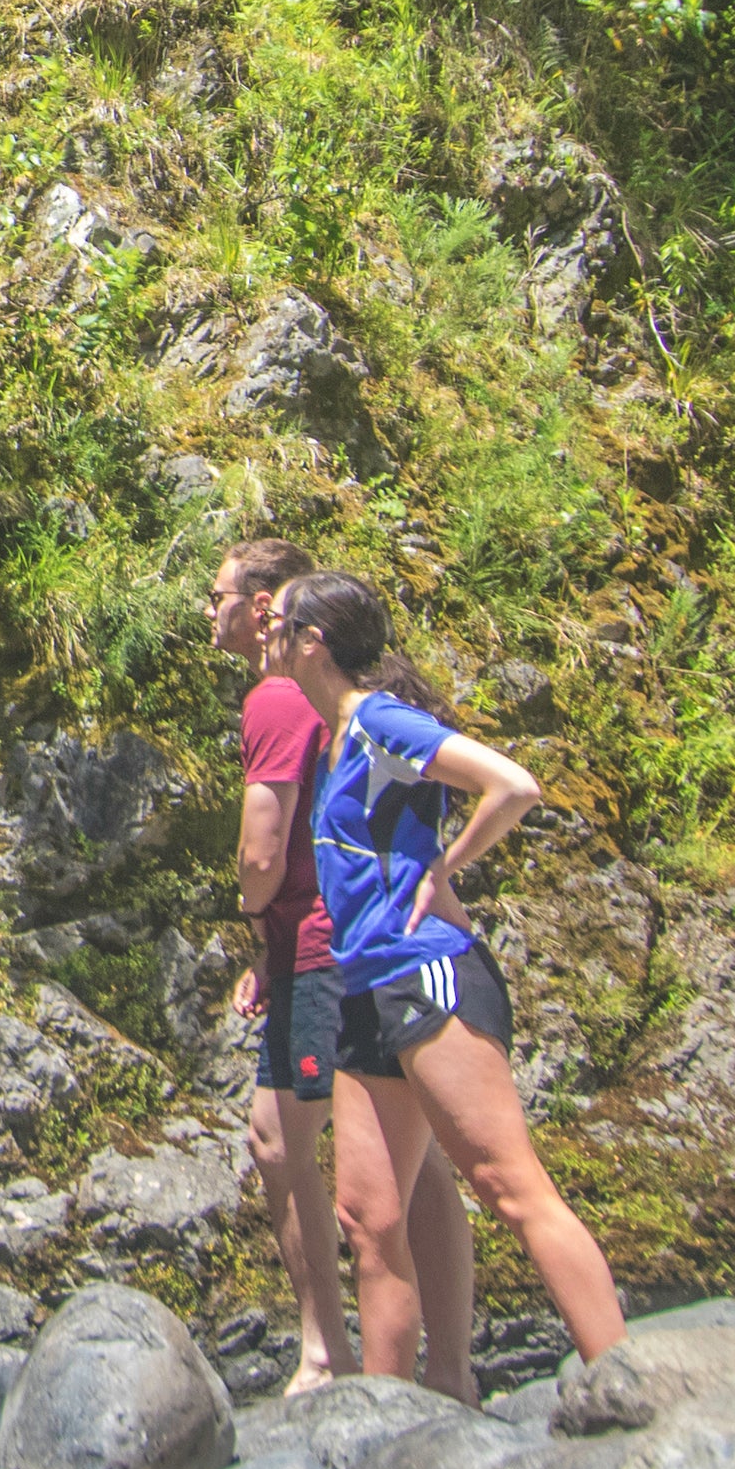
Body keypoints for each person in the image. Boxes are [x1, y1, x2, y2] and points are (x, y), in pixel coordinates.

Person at [268, 568, 627, 1374]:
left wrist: (444, 869)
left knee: (509, 1185)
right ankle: (400, 1422)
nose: (269, 635)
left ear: (312, 642)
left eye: (281, 623)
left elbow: (512, 785)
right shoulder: (334, 741)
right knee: (367, 1216)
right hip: (364, 988)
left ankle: (626, 1380)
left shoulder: (383, 722)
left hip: (425, 976)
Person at [207, 539, 476, 1398]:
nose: (205, 612)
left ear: (260, 609)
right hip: (357, 941)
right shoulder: (329, 696)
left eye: (215, 595)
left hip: (328, 950)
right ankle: (449, 1373)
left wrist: (260, 924)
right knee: (422, 1156)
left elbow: (264, 844)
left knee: (280, 1139)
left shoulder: (276, 696)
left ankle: (331, 1354)